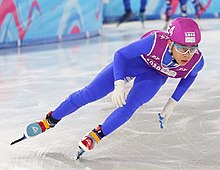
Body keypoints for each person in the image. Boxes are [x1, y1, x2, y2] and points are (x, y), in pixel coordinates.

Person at [24, 17, 204, 159]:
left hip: (154, 76)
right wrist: (119, 82)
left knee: (130, 105)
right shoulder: (154, 42)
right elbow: (121, 54)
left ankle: (95, 136)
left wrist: (171, 104)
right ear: (171, 43)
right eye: (182, 48)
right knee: (90, 93)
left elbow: (190, 77)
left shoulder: (196, 61)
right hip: (134, 62)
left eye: (192, 49)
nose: (187, 55)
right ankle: (50, 120)